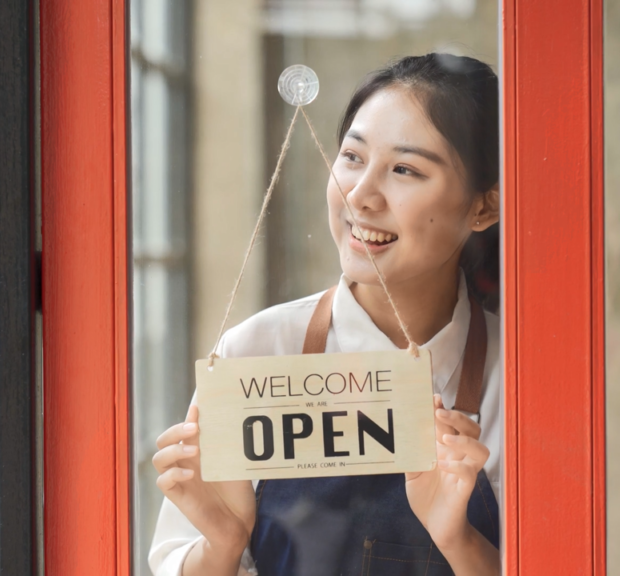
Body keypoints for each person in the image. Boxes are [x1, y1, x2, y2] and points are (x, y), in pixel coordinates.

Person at [149, 53, 502, 576]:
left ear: (483, 208)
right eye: (352, 157)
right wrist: (222, 544)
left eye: (405, 169)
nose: (359, 196)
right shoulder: (255, 353)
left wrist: (457, 538)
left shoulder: (520, 376)